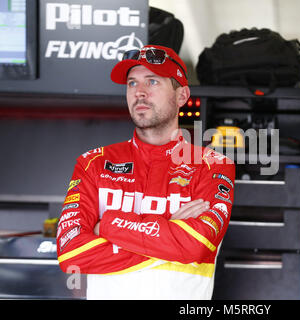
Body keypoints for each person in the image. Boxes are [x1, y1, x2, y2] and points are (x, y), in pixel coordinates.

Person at [56, 45, 235, 300]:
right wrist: (170, 235)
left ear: (182, 95)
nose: (139, 92)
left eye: (152, 81)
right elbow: (71, 252)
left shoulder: (212, 165)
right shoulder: (92, 163)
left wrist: (105, 225)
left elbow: (196, 245)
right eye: (132, 83)